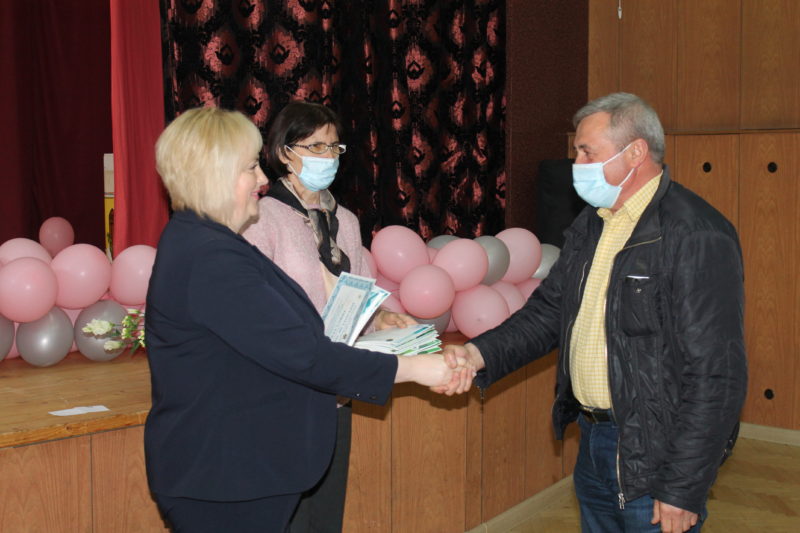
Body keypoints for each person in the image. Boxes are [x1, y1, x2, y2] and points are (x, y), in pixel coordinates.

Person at [144, 106, 473, 533]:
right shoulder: (211, 257)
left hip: (238, 467)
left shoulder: (205, 242)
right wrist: (417, 369)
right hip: (224, 475)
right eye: (250, 168)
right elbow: (303, 353)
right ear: (214, 175)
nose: (262, 179)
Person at [442, 93, 747, 533]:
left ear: (636, 152)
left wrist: (683, 486)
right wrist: (477, 355)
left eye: (587, 152)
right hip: (594, 441)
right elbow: (548, 311)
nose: (577, 163)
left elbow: (717, 374)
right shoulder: (593, 222)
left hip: (656, 452)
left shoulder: (695, 233)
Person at [242, 101, 416, 533]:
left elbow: (357, 293)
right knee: (290, 513)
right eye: (315, 146)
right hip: (284, 389)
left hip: (335, 385)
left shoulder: (347, 221)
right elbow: (252, 303)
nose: (327, 157)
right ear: (284, 152)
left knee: (326, 511)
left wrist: (382, 317)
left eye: (333, 147)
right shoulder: (261, 218)